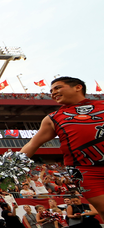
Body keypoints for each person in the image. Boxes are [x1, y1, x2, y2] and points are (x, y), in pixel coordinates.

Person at [20, 77, 104, 220]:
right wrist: (11, 165)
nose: (53, 93)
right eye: (51, 91)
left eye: (58, 88)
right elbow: (32, 144)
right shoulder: (52, 118)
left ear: (78, 87)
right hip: (86, 172)